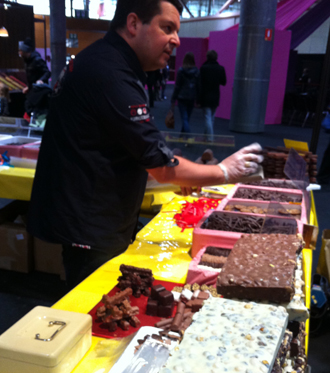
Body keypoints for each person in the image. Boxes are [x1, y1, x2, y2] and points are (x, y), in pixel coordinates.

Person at [27, 0, 263, 289]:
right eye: (167, 28)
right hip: (89, 223)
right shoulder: (110, 71)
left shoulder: (109, 60)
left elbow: (129, 143)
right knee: (94, 308)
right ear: (134, 24)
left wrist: (181, 168)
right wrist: (225, 171)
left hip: (93, 214)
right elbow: (160, 165)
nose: (176, 39)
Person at [198, 49, 226, 140]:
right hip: (215, 95)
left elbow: (199, 83)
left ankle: (209, 138)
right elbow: (224, 82)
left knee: (207, 117)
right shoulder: (220, 68)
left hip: (205, 95)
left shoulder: (203, 68)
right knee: (211, 118)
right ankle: (206, 136)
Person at [171, 52, 199, 134]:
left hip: (182, 97)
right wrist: (198, 98)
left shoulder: (181, 71)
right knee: (187, 118)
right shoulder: (196, 71)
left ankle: (188, 136)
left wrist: (173, 98)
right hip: (192, 97)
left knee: (184, 117)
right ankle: (182, 135)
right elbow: (198, 86)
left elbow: (177, 86)